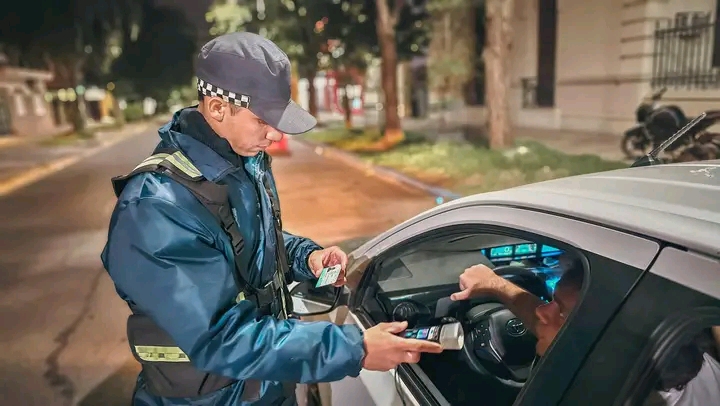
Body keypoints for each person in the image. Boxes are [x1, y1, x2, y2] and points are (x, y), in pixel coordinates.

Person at [101, 32, 442, 406]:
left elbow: (248, 244)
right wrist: (354, 349)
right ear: (217, 108)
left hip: (267, 387)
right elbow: (220, 338)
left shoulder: (242, 162)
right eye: (263, 119)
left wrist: (306, 257)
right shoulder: (154, 207)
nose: (275, 133)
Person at [451, 262, 720, 404]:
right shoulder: (685, 354)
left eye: (563, 312)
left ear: (611, 343)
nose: (542, 312)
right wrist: (495, 284)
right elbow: (563, 332)